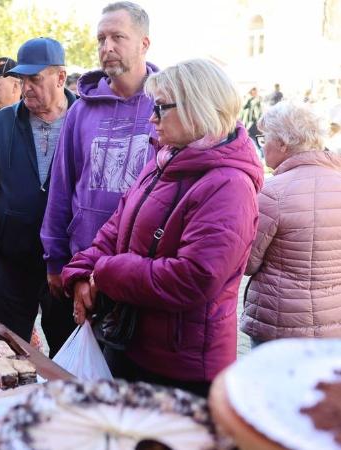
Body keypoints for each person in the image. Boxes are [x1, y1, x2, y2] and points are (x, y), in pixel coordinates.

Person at [64, 59, 264, 397]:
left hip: (180, 369)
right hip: (134, 346)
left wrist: (105, 274)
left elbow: (194, 277)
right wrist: (82, 271)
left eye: (160, 108)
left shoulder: (228, 185)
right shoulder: (165, 161)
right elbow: (116, 229)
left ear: (195, 109)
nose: (151, 118)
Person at [41, 1, 158, 324]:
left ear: (144, 43)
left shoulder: (166, 104)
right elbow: (61, 187)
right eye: (101, 39)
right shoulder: (81, 111)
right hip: (84, 264)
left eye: (117, 37)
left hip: (143, 270)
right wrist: (55, 259)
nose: (107, 47)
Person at [0, 37, 78, 355]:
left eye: (35, 79)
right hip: (13, 262)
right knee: (5, 348)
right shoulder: (1, 124)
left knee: (66, 352)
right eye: (22, 79)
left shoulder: (84, 121)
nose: (26, 87)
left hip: (68, 264)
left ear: (60, 77)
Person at [241, 102, 341, 346]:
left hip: (281, 327)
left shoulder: (272, 192)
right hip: (334, 325)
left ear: (283, 144)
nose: (262, 146)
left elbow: (247, 263)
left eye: (265, 139)